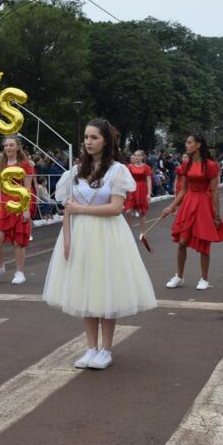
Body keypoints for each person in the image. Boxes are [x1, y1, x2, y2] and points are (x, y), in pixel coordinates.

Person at [43, 118, 156, 370]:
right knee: (86, 289)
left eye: (94, 137)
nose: (89, 142)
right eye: (86, 137)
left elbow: (116, 208)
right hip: (80, 234)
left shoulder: (117, 171)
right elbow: (67, 210)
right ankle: (90, 348)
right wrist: (67, 239)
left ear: (106, 140)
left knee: (106, 289)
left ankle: (106, 349)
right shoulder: (74, 172)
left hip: (107, 234)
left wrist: (81, 209)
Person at [161, 134, 223, 290]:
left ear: (198, 145)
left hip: (203, 203)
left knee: (204, 241)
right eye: (186, 142)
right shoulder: (186, 164)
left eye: (189, 142)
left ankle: (204, 279)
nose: (186, 145)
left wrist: (217, 214)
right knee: (182, 242)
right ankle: (179, 276)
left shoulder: (211, 165)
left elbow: (214, 191)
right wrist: (172, 207)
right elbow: (183, 190)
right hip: (188, 203)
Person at [0, 136, 34, 285]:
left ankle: (19, 272)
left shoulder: (25, 165)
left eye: (11, 145)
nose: (8, 147)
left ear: (17, 147)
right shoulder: (0, 165)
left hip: (19, 205)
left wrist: (26, 209)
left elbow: (27, 189)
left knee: (17, 241)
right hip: (2, 206)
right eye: (6, 145)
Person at [123, 150, 153, 237]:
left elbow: (149, 180)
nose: (137, 157)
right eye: (135, 156)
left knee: (142, 212)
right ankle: (129, 231)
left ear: (143, 157)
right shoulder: (129, 167)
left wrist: (149, 193)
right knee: (128, 211)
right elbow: (126, 179)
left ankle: (142, 232)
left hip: (142, 189)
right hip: (132, 189)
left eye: (139, 156)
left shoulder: (146, 167)